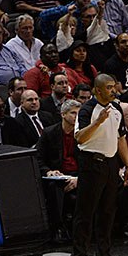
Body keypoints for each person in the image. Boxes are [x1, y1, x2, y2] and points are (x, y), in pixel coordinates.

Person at [70, 73, 128, 256]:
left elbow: (121, 138)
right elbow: (80, 138)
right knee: (85, 214)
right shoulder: (87, 109)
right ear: (97, 90)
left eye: (114, 86)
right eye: (108, 87)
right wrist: (97, 122)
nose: (113, 90)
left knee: (107, 213)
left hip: (111, 163)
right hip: (91, 163)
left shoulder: (116, 109)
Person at [36, 99, 82, 243]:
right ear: (63, 114)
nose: (76, 117)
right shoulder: (49, 133)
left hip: (79, 174)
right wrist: (48, 171)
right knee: (54, 187)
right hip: (59, 174)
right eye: (73, 113)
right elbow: (38, 157)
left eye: (78, 114)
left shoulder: (84, 133)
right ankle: (58, 228)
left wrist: (79, 179)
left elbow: (91, 162)